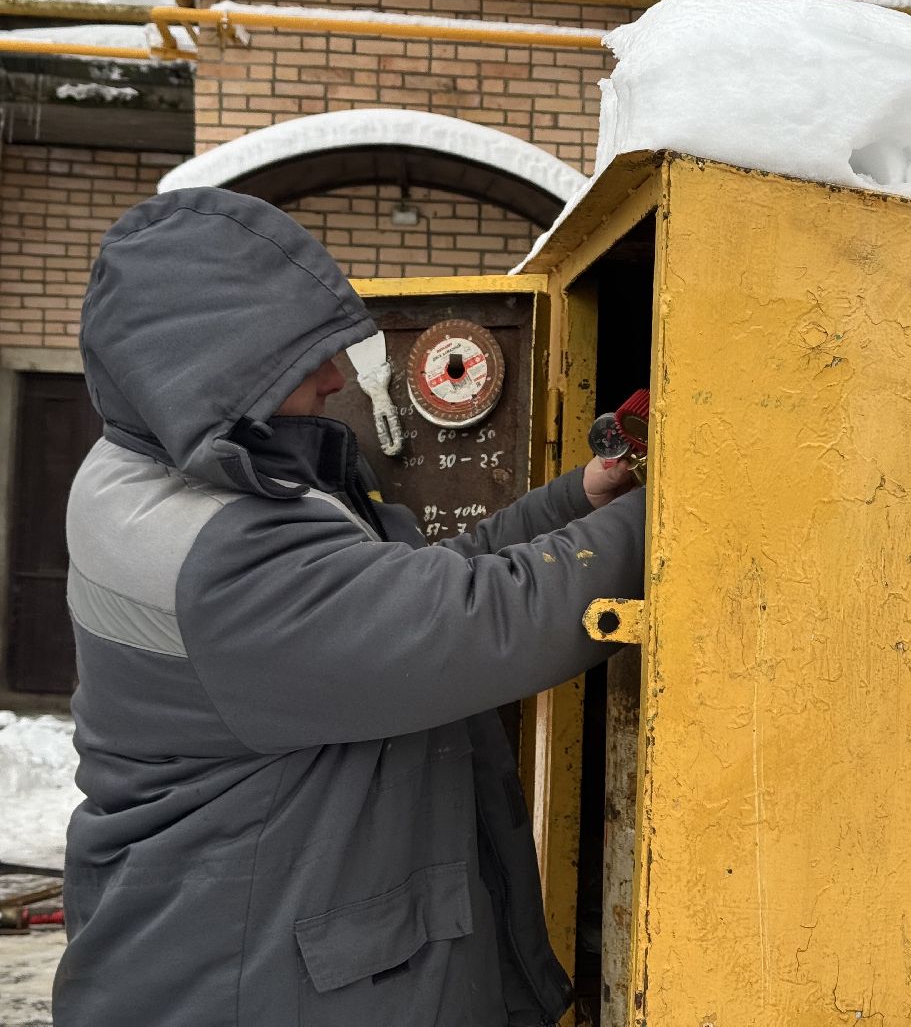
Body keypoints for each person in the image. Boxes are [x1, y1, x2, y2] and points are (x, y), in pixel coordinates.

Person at [51, 187, 645, 1026]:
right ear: (212, 368)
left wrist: (578, 498)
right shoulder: (214, 550)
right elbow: (477, 623)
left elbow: (395, 592)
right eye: (299, 360)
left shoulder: (158, 473)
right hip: (249, 986)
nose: (335, 379)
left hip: (221, 946)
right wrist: (680, 499)